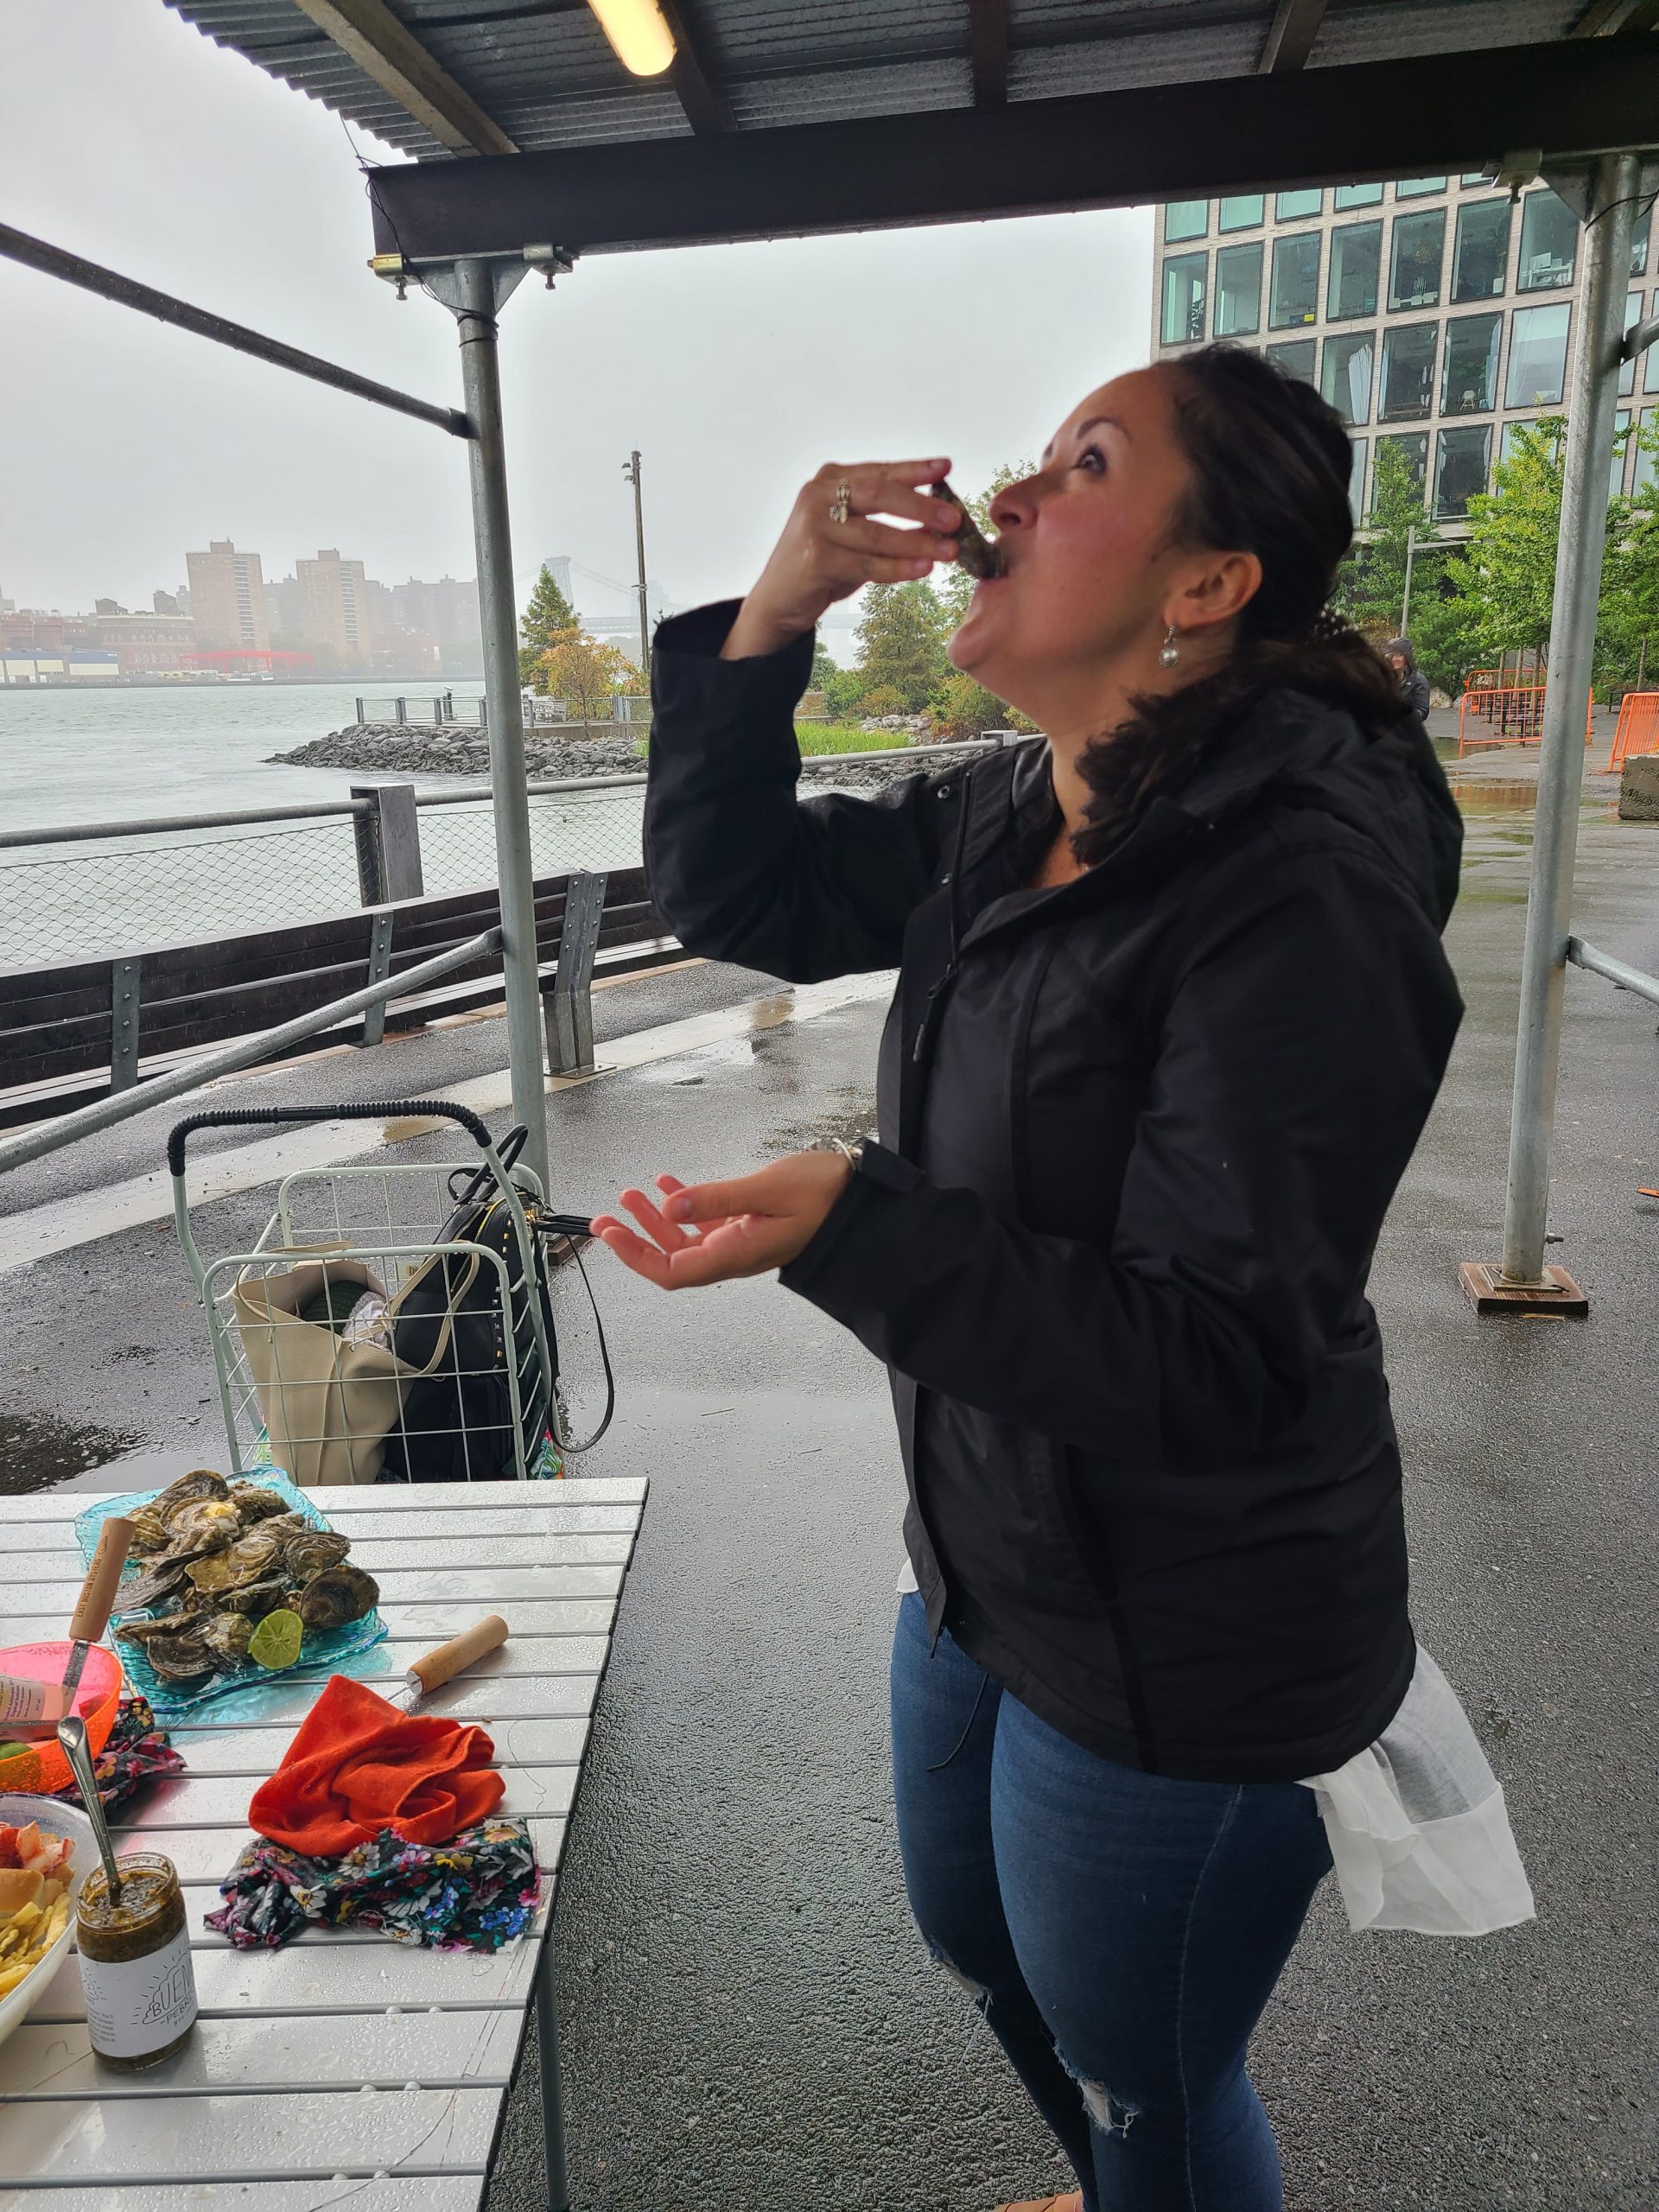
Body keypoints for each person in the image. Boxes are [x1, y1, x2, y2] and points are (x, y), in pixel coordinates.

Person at [592, 344, 1531, 2212]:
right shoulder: (1015, 806)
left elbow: (1217, 1355)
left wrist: (850, 1222)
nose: (1011, 495)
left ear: (1207, 583)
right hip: (985, 1551)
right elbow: (746, 898)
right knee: (984, 1948)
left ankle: (1140, 2168)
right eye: (1032, 456)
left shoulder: (1297, 888)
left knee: (1150, 2071)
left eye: (1083, 463)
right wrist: (771, 612)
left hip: (1189, 1633)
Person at [1384, 635, 1432, 719]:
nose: (1395, 659)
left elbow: (1422, 710)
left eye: (1400, 655)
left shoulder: (1418, 681)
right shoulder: (1380, 679)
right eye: (1392, 655)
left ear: (1406, 657)